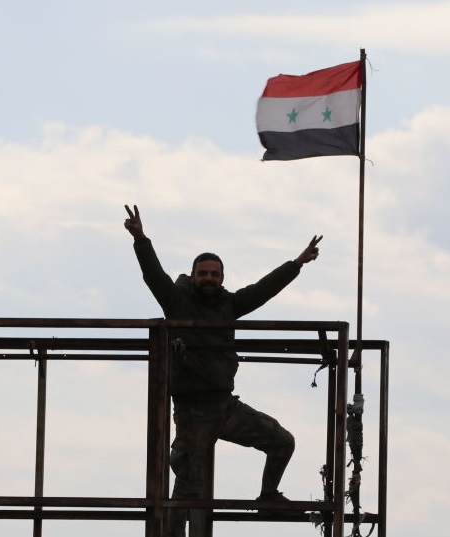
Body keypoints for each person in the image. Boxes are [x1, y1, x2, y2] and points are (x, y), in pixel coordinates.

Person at [123, 204, 322, 536]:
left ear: (222, 278)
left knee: (281, 441)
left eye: (214, 274)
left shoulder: (228, 305)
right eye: (203, 273)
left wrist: (296, 264)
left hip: (225, 405)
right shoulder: (177, 302)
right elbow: (154, 276)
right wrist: (140, 239)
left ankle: (268, 496)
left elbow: (262, 290)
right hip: (192, 410)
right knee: (189, 487)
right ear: (193, 275)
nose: (209, 278)